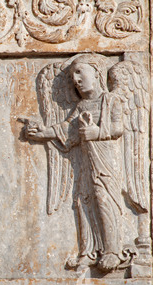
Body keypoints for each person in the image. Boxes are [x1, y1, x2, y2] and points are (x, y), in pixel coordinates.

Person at [25, 54, 125, 272]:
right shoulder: (82, 105)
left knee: (104, 197)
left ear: (97, 74)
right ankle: (89, 250)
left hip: (106, 159)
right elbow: (66, 127)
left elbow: (119, 128)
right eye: (72, 76)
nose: (76, 80)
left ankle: (113, 250)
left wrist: (97, 132)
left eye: (80, 72)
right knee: (83, 199)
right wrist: (43, 132)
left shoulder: (111, 100)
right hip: (86, 161)